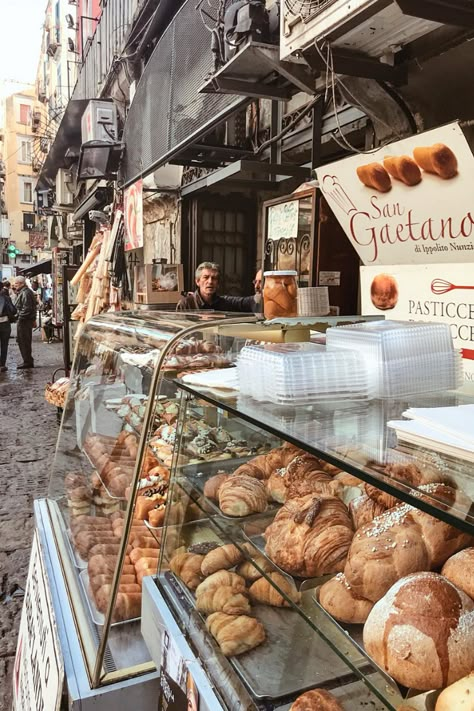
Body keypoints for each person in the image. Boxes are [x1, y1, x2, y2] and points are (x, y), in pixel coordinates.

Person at [177, 262, 256, 312]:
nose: (210, 281)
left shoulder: (224, 303)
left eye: (214, 278)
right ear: (197, 281)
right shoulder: (186, 304)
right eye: (206, 277)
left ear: (218, 283)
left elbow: (247, 302)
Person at [13, 276, 37, 369]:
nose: (15, 285)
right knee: (22, 340)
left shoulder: (26, 293)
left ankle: (27, 361)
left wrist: (19, 317)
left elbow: (27, 309)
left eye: (16, 283)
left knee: (24, 340)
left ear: (21, 284)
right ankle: (27, 360)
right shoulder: (23, 292)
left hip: (24, 321)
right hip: (23, 320)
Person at [0, 282, 16, 372]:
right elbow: (13, 310)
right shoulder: (6, 298)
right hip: (5, 323)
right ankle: (2, 364)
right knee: (4, 344)